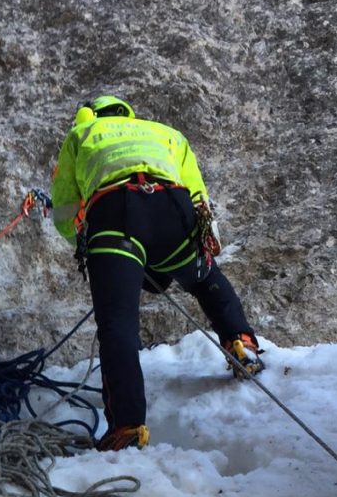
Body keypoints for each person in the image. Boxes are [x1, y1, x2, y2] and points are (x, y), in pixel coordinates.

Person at [50, 95, 264, 451]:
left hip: (114, 214)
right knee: (205, 277)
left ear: (91, 114)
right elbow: (198, 195)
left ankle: (128, 426)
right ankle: (240, 341)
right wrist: (203, 241)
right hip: (171, 207)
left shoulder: (83, 133)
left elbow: (65, 211)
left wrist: (88, 243)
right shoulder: (165, 133)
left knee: (117, 322)